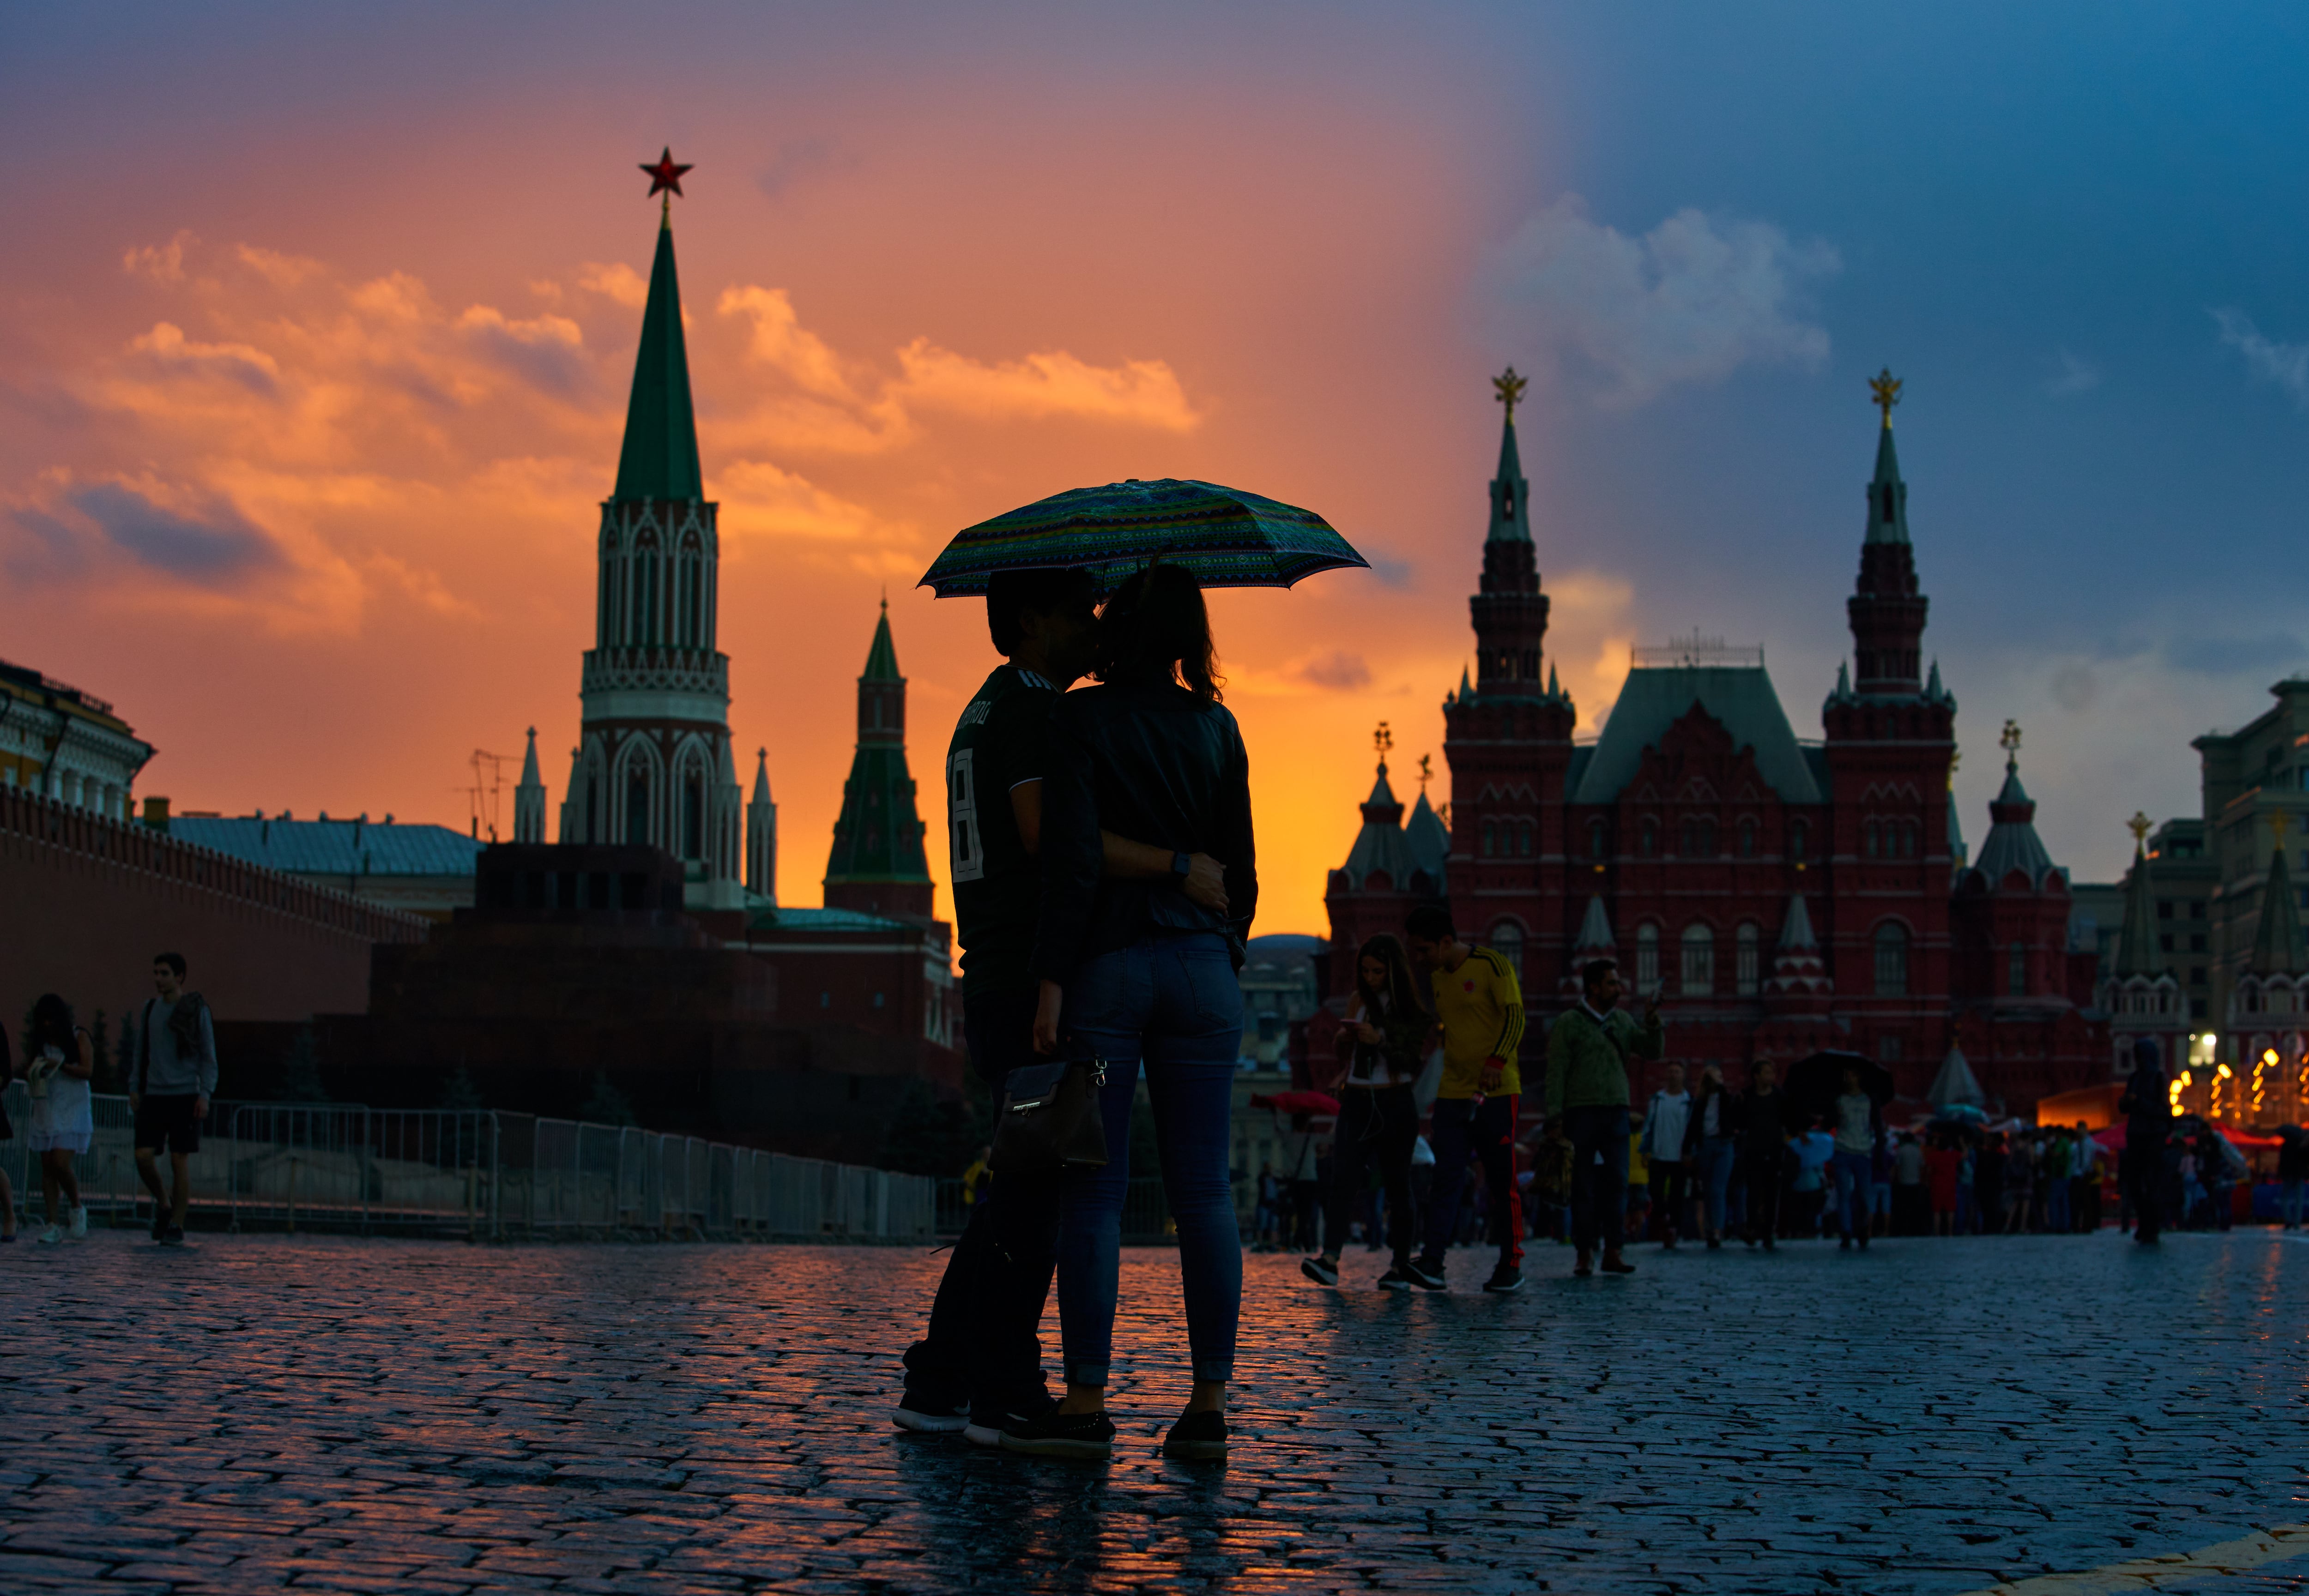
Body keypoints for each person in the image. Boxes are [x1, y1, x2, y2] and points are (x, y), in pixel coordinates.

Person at [895, 566, 1227, 1445]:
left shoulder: (984, 706)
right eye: (1081, 613)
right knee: (1037, 1197)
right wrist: (1170, 863)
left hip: (992, 963)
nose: (1094, 627)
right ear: (1035, 622)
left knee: (1018, 1179)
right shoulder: (1034, 711)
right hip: (1021, 967)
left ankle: (938, 1375)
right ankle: (1006, 1387)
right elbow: (1052, 838)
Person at [1019, 563, 1257, 1463]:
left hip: (1110, 970)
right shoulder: (1219, 727)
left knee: (1097, 1188)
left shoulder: (1076, 717)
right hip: (1203, 970)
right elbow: (1240, 867)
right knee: (1204, 1189)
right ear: (1190, 637)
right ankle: (1207, 1403)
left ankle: (1084, 1403)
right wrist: (1225, 950)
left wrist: (1051, 980)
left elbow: (1072, 862)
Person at [1404, 905, 1532, 1294]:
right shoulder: (1440, 978)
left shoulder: (1492, 965)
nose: (1420, 959)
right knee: (1446, 1177)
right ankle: (1433, 1261)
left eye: (1425, 950)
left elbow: (1516, 1017)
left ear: (1447, 941)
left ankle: (1511, 1262)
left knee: (1500, 1180)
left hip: (1497, 1091)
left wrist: (1497, 1060)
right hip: (1452, 1092)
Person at [1304, 934, 1430, 1291]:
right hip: (1358, 1099)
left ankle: (1400, 1264)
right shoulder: (1358, 999)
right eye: (1365, 970)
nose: (1371, 977)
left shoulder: (1411, 1011)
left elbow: (1411, 1062)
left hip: (1395, 1100)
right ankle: (1329, 1258)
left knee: (1397, 1184)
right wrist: (1345, 1045)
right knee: (1342, 1179)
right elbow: (1350, 1053)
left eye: (1378, 971)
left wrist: (1381, 1041)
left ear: (1394, 972)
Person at [1542, 957, 1664, 1277]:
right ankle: (1584, 1253)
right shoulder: (1569, 1022)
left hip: (1616, 1111)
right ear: (1594, 987)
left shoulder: (1623, 1020)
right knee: (1581, 1185)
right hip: (1579, 1112)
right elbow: (1556, 1071)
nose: (1619, 988)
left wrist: (1652, 1021)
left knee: (1618, 1184)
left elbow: (1652, 1051)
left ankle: (1613, 1251)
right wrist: (1554, 1117)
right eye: (1612, 982)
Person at [133, 952, 218, 1247]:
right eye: (156, 972)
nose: (158, 978)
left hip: (186, 1095)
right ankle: (164, 1203)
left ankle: (177, 1225)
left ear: (179, 977)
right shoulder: (150, 1009)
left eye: (165, 973)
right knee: (143, 1156)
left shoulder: (197, 1010)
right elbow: (141, 1053)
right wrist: (135, 1087)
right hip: (155, 1094)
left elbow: (209, 1057)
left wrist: (204, 1095)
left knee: (179, 1160)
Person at [25, 994, 96, 1245]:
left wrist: (61, 1066)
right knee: (47, 1166)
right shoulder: (41, 1041)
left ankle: (76, 1206)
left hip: (72, 1106)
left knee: (60, 1162)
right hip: (47, 1104)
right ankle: (53, 1223)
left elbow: (88, 1071)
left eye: (50, 1020)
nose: (47, 1026)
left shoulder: (79, 1036)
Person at [2117, 1038, 2172, 1244]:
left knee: (2152, 1183)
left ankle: (2151, 1226)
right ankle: (2144, 1222)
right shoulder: (2134, 1078)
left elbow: (2164, 1111)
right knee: (2134, 1182)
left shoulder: (2159, 1079)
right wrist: (2126, 1103)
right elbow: (2125, 1107)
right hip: (2136, 1136)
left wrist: (2139, 1102)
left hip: (2153, 1137)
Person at [1735, 1060, 1790, 1249]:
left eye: (1772, 1073)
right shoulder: (1747, 1096)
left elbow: (1788, 1120)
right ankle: (1751, 1227)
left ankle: (1768, 1231)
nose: (1771, 1077)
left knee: (1771, 1193)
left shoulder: (1780, 1096)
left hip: (1774, 1149)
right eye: (1767, 1073)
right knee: (1754, 1191)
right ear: (1756, 1076)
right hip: (1753, 1149)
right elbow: (1740, 1122)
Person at [1638, 1063, 1692, 1249]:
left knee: (1678, 1196)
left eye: (1677, 1071)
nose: (1674, 1075)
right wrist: (1645, 1150)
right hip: (1658, 1156)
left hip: (1680, 1157)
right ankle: (1664, 1224)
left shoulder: (1689, 1101)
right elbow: (1648, 1126)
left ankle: (1673, 1229)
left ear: (1683, 1075)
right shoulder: (1657, 1099)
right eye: (1671, 1071)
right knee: (1656, 1194)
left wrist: (1690, 1152)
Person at [1827, 1066, 1880, 1251]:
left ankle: (1862, 1228)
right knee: (1844, 1194)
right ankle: (1846, 1232)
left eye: (1852, 1074)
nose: (1849, 1078)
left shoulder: (1869, 1100)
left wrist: (1878, 1149)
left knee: (1864, 1195)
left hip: (1864, 1151)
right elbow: (1829, 1123)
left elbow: (1877, 1124)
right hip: (1843, 1149)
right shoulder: (1839, 1100)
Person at [1688, 1063, 1737, 1249]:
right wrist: (1687, 1150)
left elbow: (1734, 1114)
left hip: (1724, 1145)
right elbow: (1693, 1126)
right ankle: (1710, 1230)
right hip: (1706, 1146)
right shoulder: (1700, 1102)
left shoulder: (1726, 1098)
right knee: (1708, 1190)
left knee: (1717, 1189)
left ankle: (1717, 1230)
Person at [1923, 1132, 1960, 1237]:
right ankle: (1950, 1232)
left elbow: (1929, 1171)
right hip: (1950, 1186)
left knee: (1937, 1211)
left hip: (1936, 1185)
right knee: (1950, 1210)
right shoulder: (1953, 1155)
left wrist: (1927, 1182)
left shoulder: (1933, 1156)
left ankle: (1937, 1233)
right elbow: (1964, 1155)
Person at [2279, 1129, 2307, 1231]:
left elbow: (2282, 1162)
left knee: (2285, 1198)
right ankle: (2297, 1222)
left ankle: (2288, 1220)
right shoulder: (2301, 1145)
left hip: (2288, 1175)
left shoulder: (2286, 1145)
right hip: (2299, 1175)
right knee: (2299, 1199)